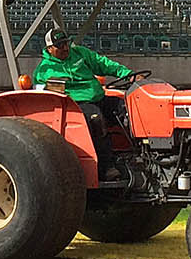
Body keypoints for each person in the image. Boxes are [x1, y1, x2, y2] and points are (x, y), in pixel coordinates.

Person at [32, 28, 132, 161]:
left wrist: (128, 75)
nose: (65, 48)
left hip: (99, 98)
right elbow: (43, 98)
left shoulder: (79, 53)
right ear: (49, 49)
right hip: (76, 105)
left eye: (66, 43)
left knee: (130, 109)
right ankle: (106, 166)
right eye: (60, 46)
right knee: (95, 118)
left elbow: (103, 64)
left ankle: (139, 151)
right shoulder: (43, 72)